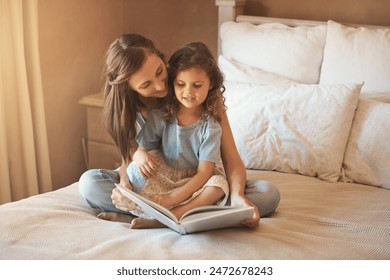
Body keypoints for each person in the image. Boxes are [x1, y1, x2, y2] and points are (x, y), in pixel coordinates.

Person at [78, 34, 280, 229]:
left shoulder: (194, 88)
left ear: (160, 56)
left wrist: (237, 196)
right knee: (90, 183)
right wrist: (124, 189)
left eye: (159, 71)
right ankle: (185, 215)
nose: (159, 85)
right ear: (129, 88)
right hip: (157, 180)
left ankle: (160, 216)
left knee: (267, 194)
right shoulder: (128, 109)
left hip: (197, 181)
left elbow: (230, 158)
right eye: (146, 84)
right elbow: (129, 158)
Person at [126, 42, 230, 228]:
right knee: (134, 171)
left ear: (211, 84)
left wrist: (173, 198)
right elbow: (142, 150)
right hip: (166, 177)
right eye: (181, 84)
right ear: (173, 82)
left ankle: (172, 216)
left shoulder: (211, 126)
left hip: (196, 181)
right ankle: (156, 211)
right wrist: (139, 156)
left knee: (218, 186)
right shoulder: (160, 116)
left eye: (197, 85)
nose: (188, 93)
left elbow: (205, 173)